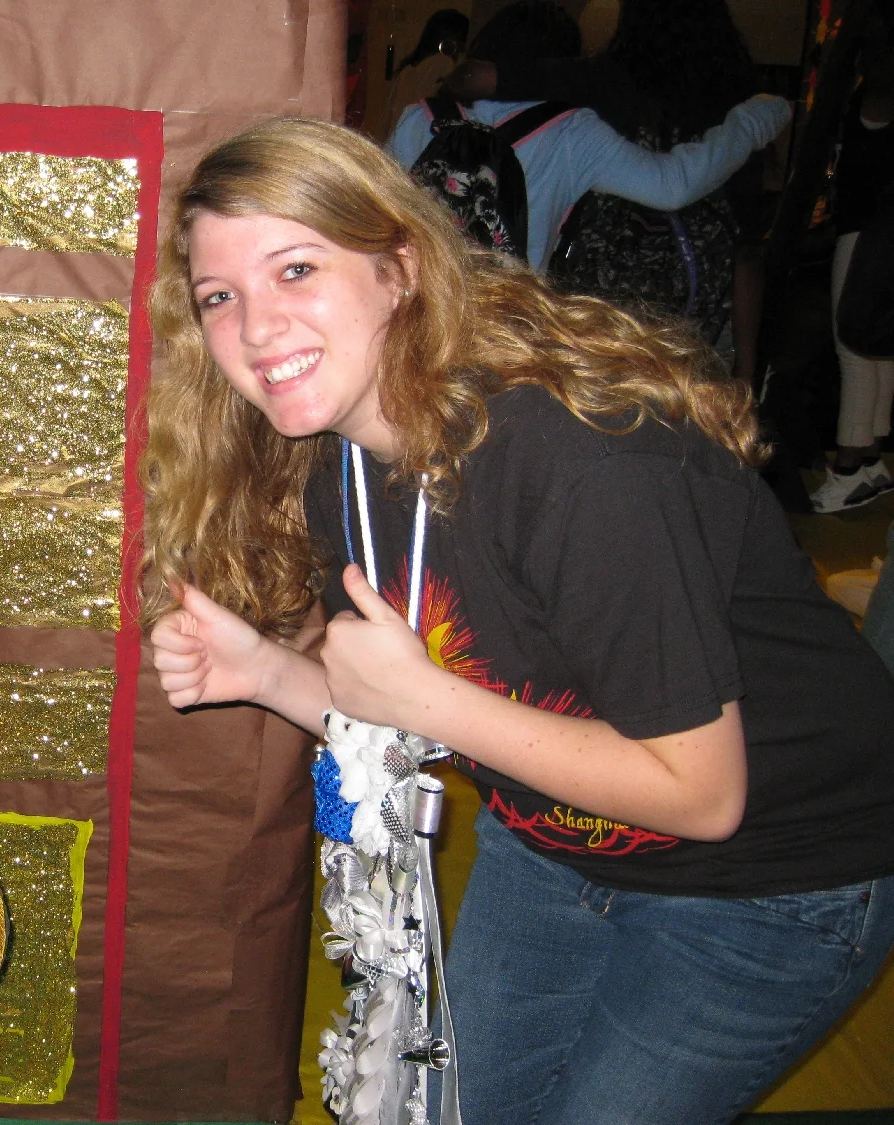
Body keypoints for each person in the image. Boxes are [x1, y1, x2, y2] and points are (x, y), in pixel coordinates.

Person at [141, 117, 894, 1124]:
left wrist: (429, 702)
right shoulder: (339, 462)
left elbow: (702, 793)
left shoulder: (580, 464)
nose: (257, 327)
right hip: (554, 845)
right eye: (219, 297)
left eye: (296, 270)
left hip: (774, 870)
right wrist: (266, 672)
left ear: (400, 269)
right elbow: (413, 700)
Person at [386, 2, 789, 273]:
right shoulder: (573, 134)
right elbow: (674, 184)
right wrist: (755, 120)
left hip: (420, 310)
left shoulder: (420, 118)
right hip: (501, 329)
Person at [810, 38, 894, 513]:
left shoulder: (873, 92)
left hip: (866, 232)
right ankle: (870, 461)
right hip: (880, 230)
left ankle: (848, 469)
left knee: (855, 350)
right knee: (879, 351)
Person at [381, 8, 469, 142]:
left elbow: (390, 114)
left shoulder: (410, 67)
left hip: (398, 137)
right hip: (419, 138)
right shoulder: (443, 64)